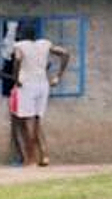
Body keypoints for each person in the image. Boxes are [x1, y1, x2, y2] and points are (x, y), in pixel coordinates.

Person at [10, 22, 73, 167]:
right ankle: (44, 156)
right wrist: (58, 75)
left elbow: (18, 60)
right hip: (42, 85)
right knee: (38, 122)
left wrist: (16, 77)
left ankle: (30, 159)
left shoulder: (19, 46)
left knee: (28, 123)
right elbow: (65, 53)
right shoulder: (44, 44)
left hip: (27, 85)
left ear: (21, 34)